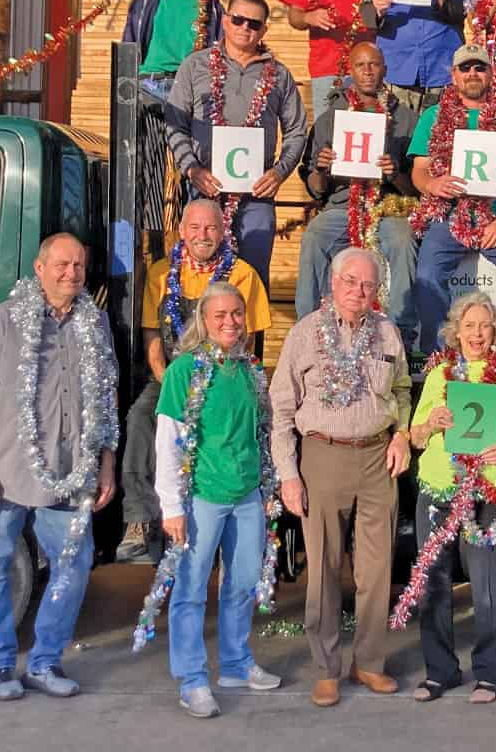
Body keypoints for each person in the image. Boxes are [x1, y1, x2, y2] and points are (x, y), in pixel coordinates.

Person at [0, 234, 118, 702]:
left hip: (72, 471)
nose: (72, 273)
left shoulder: (96, 323)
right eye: (62, 264)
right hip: (7, 470)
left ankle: (45, 661)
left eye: (79, 265)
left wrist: (106, 464)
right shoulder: (3, 320)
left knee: (75, 564)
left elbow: (107, 398)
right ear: (39, 267)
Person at [269, 248, 413, 708]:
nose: (359, 291)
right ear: (333, 283)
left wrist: (402, 435)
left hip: (376, 458)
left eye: (368, 284)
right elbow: (281, 409)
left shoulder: (387, 332)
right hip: (323, 455)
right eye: (350, 281)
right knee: (324, 570)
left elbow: (402, 390)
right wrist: (289, 475)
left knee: (377, 570)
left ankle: (368, 662)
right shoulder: (305, 334)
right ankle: (326, 668)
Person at [406, 292, 496, 704]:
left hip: (492, 488)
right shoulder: (440, 375)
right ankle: (440, 672)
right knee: (434, 581)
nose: (477, 333)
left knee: (490, 584)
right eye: (469, 326)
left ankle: (489, 673)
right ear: (456, 331)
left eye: (485, 325)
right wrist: (432, 423)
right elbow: (415, 436)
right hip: (440, 485)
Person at [154, 282, 281, 719]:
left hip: (246, 494)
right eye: (220, 315)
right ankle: (192, 679)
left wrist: (265, 489)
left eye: (237, 314)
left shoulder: (249, 370)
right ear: (204, 321)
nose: (230, 322)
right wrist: (172, 506)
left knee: (243, 583)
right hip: (201, 497)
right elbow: (168, 441)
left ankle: (235, 664)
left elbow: (259, 434)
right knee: (191, 589)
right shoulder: (184, 371)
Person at [121, 198, 271, 564]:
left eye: (211, 228)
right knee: (140, 419)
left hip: (225, 373)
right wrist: (173, 381)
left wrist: (217, 383)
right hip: (173, 374)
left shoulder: (243, 275)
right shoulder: (160, 273)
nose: (203, 235)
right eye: (195, 228)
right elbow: (152, 338)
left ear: (223, 232)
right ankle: (140, 518)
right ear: (182, 232)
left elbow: (247, 340)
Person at [165, 0, 309, 290]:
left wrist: (279, 172)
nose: (245, 28)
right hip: (205, 188)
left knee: (252, 280)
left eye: (254, 24)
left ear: (264, 30)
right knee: (198, 277)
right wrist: (192, 169)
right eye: (238, 20)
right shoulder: (195, 65)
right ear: (225, 22)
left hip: (255, 194)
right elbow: (175, 124)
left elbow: (296, 130)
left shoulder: (279, 75)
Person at [409, 43, 496, 359]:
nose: (472, 73)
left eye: (480, 67)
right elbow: (419, 172)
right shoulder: (432, 117)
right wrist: (433, 184)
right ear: (453, 75)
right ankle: (438, 358)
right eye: (465, 68)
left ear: (491, 74)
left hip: (494, 215)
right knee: (427, 273)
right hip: (449, 215)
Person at [297, 41, 419, 345]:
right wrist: (322, 170)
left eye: (374, 64)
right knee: (315, 235)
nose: (367, 71)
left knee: (404, 239)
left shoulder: (406, 119)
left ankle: (401, 335)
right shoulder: (330, 118)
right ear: (350, 71)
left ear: (385, 70)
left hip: (388, 207)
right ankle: (307, 331)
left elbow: (415, 189)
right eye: (360, 65)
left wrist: (395, 174)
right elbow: (316, 188)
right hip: (341, 205)